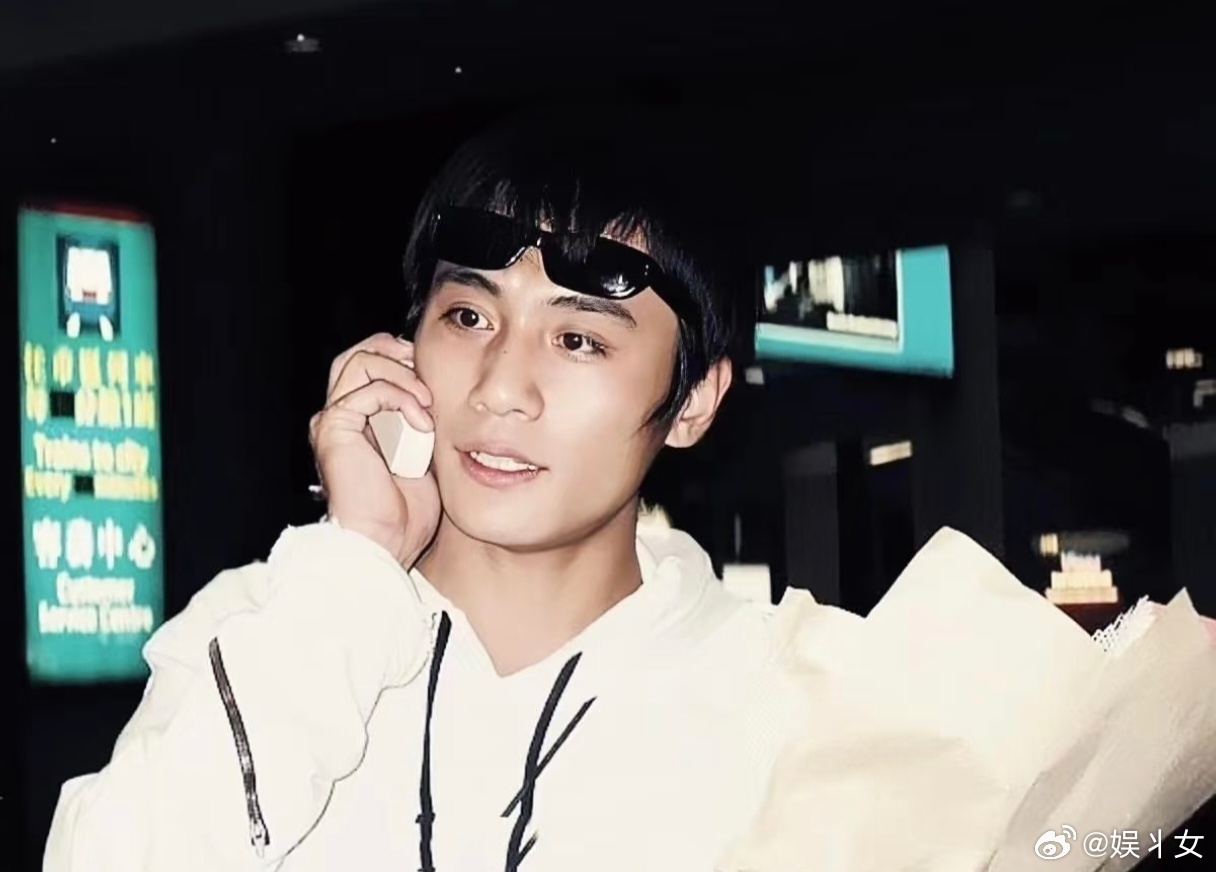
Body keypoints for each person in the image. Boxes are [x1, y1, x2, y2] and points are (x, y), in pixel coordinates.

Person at [43, 103, 808, 872]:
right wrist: (358, 567)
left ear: (693, 402)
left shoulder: (783, 699)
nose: (500, 388)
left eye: (578, 339)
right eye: (469, 317)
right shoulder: (270, 625)